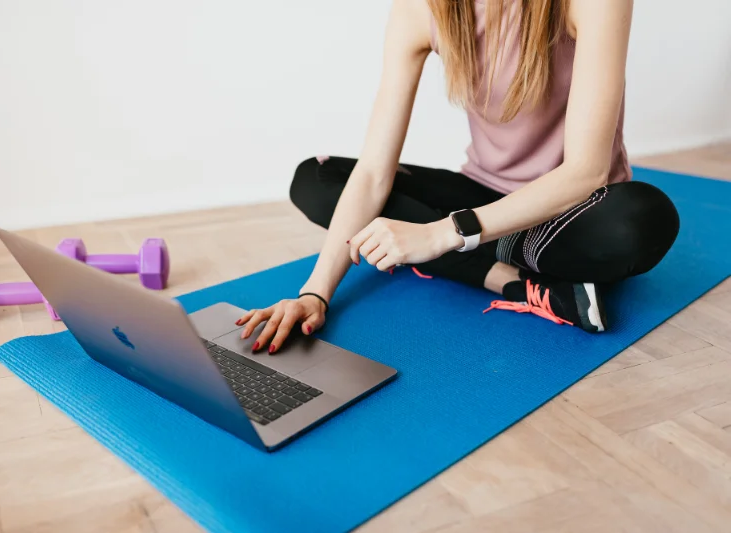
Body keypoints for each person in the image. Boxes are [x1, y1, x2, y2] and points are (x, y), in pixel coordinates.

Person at [237, 0, 680, 353]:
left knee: (642, 217)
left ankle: (484, 251)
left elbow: (586, 171)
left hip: (574, 211)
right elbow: (373, 172)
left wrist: (439, 234)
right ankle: (511, 279)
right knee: (315, 178)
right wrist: (315, 294)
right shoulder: (421, 8)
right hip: (483, 197)